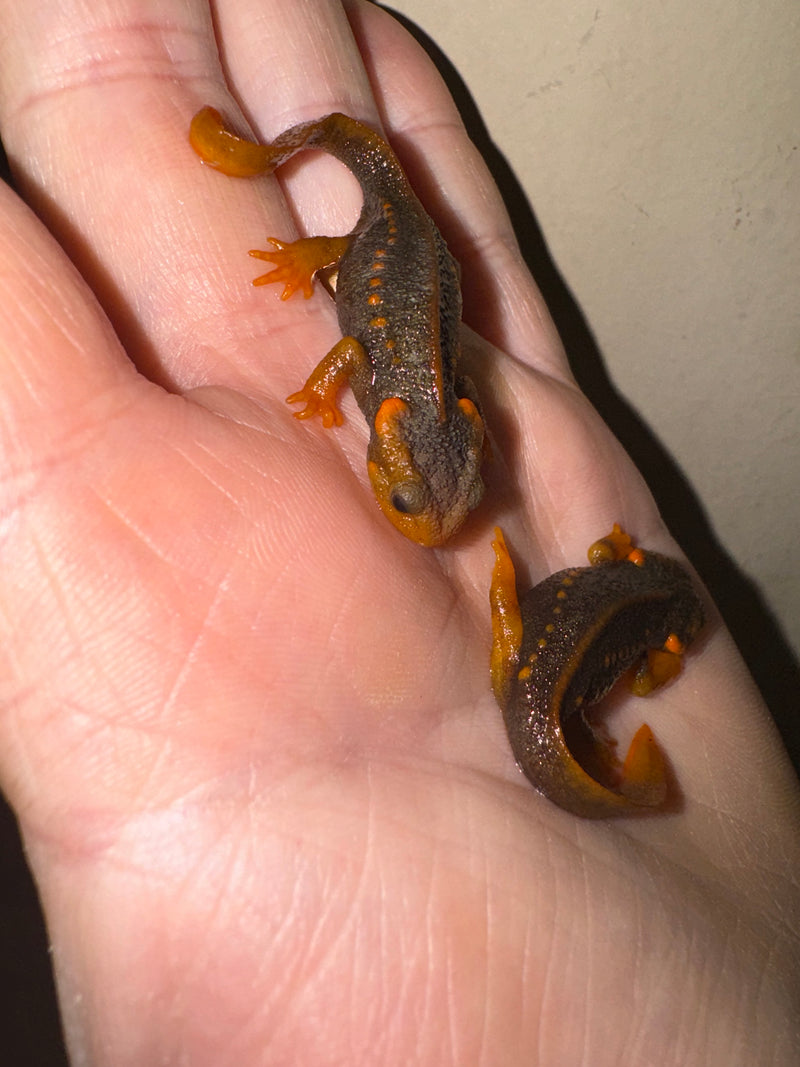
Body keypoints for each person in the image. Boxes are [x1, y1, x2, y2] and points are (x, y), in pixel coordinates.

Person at [0, 1, 797, 1063]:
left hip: (412, 277)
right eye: (419, 499)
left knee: (387, 230)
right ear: (394, 435)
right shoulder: (375, 381)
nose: (436, 525)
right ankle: (299, 167)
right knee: (363, 227)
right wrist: (315, 284)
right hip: (382, 244)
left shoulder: (433, 412)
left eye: (438, 502)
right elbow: (345, 360)